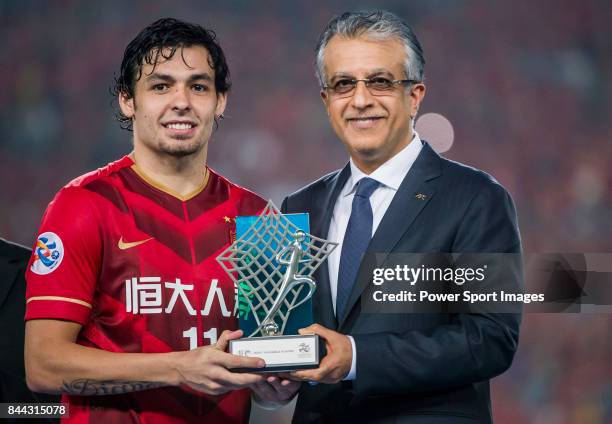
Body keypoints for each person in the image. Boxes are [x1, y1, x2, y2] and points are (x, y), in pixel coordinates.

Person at [24, 18, 298, 423]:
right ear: (127, 100)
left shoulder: (257, 217)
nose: (182, 101)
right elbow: (43, 365)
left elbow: (269, 385)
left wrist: (274, 384)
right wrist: (178, 367)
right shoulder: (83, 205)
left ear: (221, 101)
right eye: (160, 85)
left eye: (199, 86)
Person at [281, 10, 522, 423]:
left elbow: (490, 338)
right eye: (343, 84)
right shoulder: (298, 208)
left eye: (379, 81)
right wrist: (272, 380)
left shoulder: (476, 198)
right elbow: (289, 338)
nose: (360, 100)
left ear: (415, 95)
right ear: (326, 101)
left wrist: (357, 357)